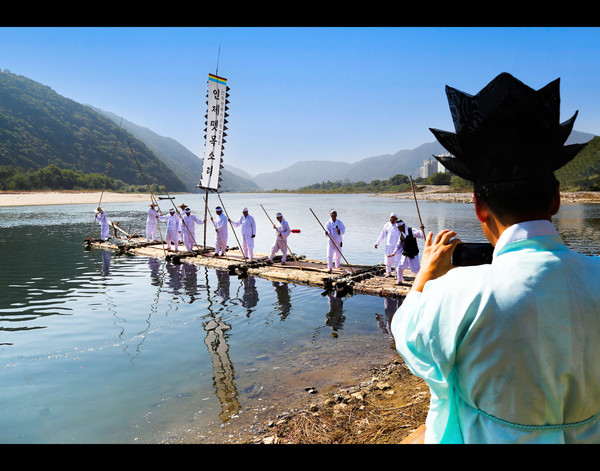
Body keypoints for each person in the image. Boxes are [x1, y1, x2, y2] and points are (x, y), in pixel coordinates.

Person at [390, 72, 600, 444]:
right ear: (556, 200)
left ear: (478, 207)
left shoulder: (458, 292)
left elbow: (409, 336)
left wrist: (425, 275)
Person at [391, 219, 424, 285]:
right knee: (399, 268)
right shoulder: (401, 235)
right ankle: (399, 281)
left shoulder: (411, 230)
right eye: (398, 228)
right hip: (405, 253)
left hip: (413, 253)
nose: (399, 229)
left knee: (416, 269)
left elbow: (420, 235)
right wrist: (394, 253)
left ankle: (423, 281)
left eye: (400, 227)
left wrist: (422, 230)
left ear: (403, 226)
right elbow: (399, 245)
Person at [374, 213, 401, 277]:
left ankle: (397, 274)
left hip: (397, 246)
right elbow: (382, 235)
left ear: (396, 219)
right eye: (391, 218)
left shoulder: (399, 225)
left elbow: (403, 235)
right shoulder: (386, 225)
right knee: (388, 260)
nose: (391, 219)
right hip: (389, 246)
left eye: (393, 218)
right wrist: (377, 243)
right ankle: (388, 273)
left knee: (398, 261)